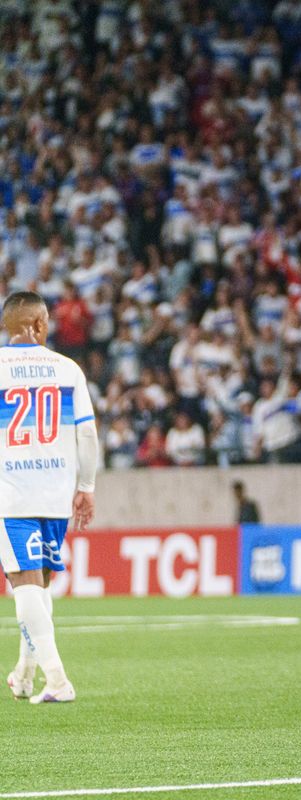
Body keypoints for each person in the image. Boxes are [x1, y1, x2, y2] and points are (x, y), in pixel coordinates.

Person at [2, 292, 100, 704]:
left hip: (11, 494)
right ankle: (25, 672)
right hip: (56, 494)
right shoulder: (68, 369)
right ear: (40, 325)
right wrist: (87, 487)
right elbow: (88, 433)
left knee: (22, 585)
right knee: (38, 585)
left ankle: (57, 680)